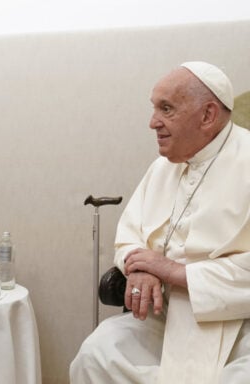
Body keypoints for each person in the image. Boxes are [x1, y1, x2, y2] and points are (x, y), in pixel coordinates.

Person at [70, 61, 250, 384]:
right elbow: (129, 235)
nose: (153, 122)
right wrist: (138, 268)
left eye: (166, 109)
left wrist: (174, 272)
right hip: (165, 317)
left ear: (208, 116)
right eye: (154, 108)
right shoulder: (161, 168)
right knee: (94, 356)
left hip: (239, 325)